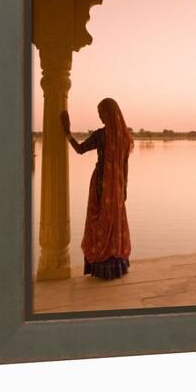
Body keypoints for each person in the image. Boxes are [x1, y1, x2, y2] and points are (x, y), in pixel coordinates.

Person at [60, 98, 133, 280]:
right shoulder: (124, 136)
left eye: (101, 113)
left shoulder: (101, 135)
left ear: (108, 114)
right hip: (117, 187)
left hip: (102, 185)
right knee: (113, 224)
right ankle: (117, 266)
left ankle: (101, 266)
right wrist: (124, 188)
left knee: (99, 222)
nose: (100, 117)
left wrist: (67, 133)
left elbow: (80, 149)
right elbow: (125, 165)